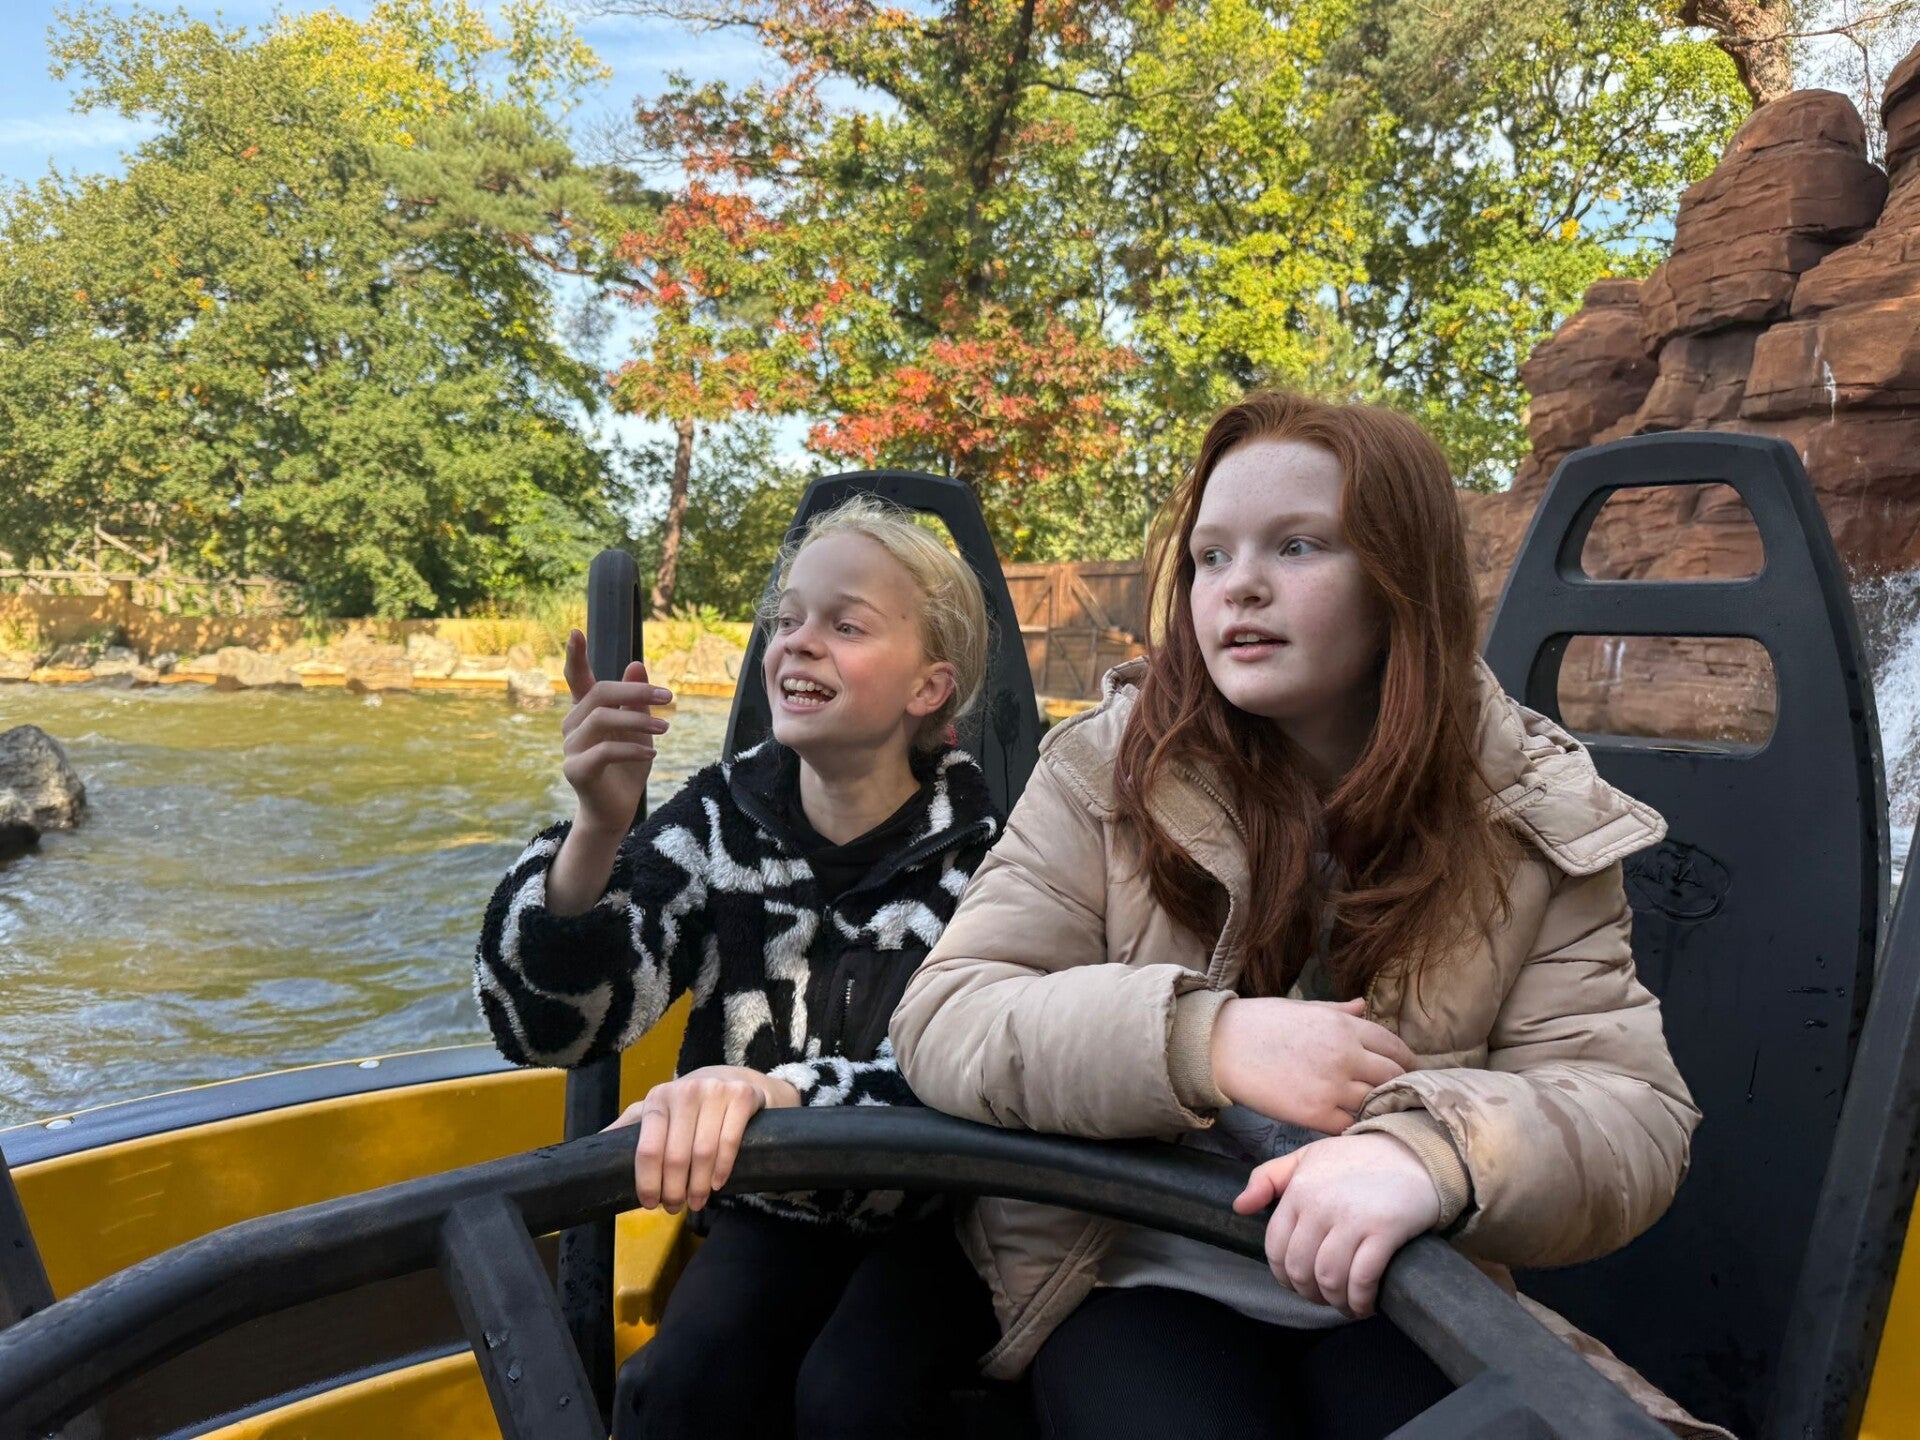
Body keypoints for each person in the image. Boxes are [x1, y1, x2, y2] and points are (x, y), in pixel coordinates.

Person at [890, 391, 1720, 1439]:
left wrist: (1435, 1154)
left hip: (1395, 1280)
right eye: (1211, 556)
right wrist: (1206, 1039)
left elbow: (1630, 1113)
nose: (1239, 584)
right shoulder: (1104, 770)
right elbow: (948, 1018)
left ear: (1401, 580)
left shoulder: (1529, 808)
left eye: (1297, 545)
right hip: (1127, 1269)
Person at [474, 495, 1001, 1440]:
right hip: (770, 1207)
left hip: (941, 1222)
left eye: (845, 626)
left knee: (856, 1396)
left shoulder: (992, 860)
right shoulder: (718, 820)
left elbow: (984, 1071)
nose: (798, 642)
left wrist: (779, 1093)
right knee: (677, 1387)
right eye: (786, 619)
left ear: (930, 688)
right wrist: (596, 831)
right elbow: (551, 1030)